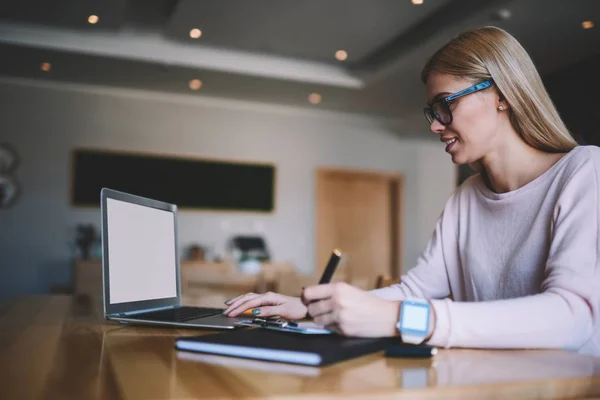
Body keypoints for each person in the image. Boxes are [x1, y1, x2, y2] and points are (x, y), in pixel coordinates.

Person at [223, 26, 600, 354]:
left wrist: (406, 320)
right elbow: (416, 291)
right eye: (432, 112)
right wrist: (309, 307)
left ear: (502, 94)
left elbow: (573, 316)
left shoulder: (584, 171)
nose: (436, 126)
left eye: (445, 105)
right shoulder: (467, 197)